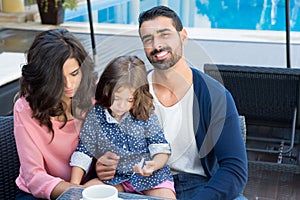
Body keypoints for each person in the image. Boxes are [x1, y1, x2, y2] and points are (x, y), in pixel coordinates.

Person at [95, 6, 248, 200]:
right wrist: (103, 164)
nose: (156, 45)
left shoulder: (215, 95)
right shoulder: (132, 93)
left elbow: (234, 170)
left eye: (164, 34)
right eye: (148, 39)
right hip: (143, 184)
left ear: (183, 36)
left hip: (199, 186)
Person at [69, 55, 176, 199]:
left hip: (151, 179)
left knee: (166, 197)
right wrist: (74, 185)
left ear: (138, 96)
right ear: (106, 90)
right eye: (116, 98)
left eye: (129, 100)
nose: (121, 106)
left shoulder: (145, 113)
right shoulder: (96, 114)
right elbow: (84, 150)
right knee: (86, 193)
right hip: (116, 180)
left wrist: (153, 165)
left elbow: (160, 148)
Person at [14, 28, 100, 200]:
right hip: (40, 193)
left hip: (90, 186)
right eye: (58, 77)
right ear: (44, 77)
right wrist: (77, 192)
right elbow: (34, 177)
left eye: (74, 73)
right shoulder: (24, 109)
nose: (69, 84)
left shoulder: (96, 99)